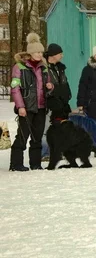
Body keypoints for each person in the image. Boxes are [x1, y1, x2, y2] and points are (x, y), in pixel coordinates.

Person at [9, 32, 50, 171]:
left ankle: (35, 163)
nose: (39, 54)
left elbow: (47, 85)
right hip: (26, 107)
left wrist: (50, 87)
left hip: (41, 107)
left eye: (41, 52)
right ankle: (16, 164)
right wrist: (20, 106)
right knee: (22, 136)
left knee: (37, 136)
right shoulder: (19, 67)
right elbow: (15, 88)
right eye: (37, 52)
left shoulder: (44, 68)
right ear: (30, 53)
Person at [44, 43, 72, 124]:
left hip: (63, 105)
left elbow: (64, 82)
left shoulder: (61, 68)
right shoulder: (44, 68)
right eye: (60, 54)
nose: (62, 56)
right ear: (53, 55)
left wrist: (68, 94)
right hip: (51, 107)